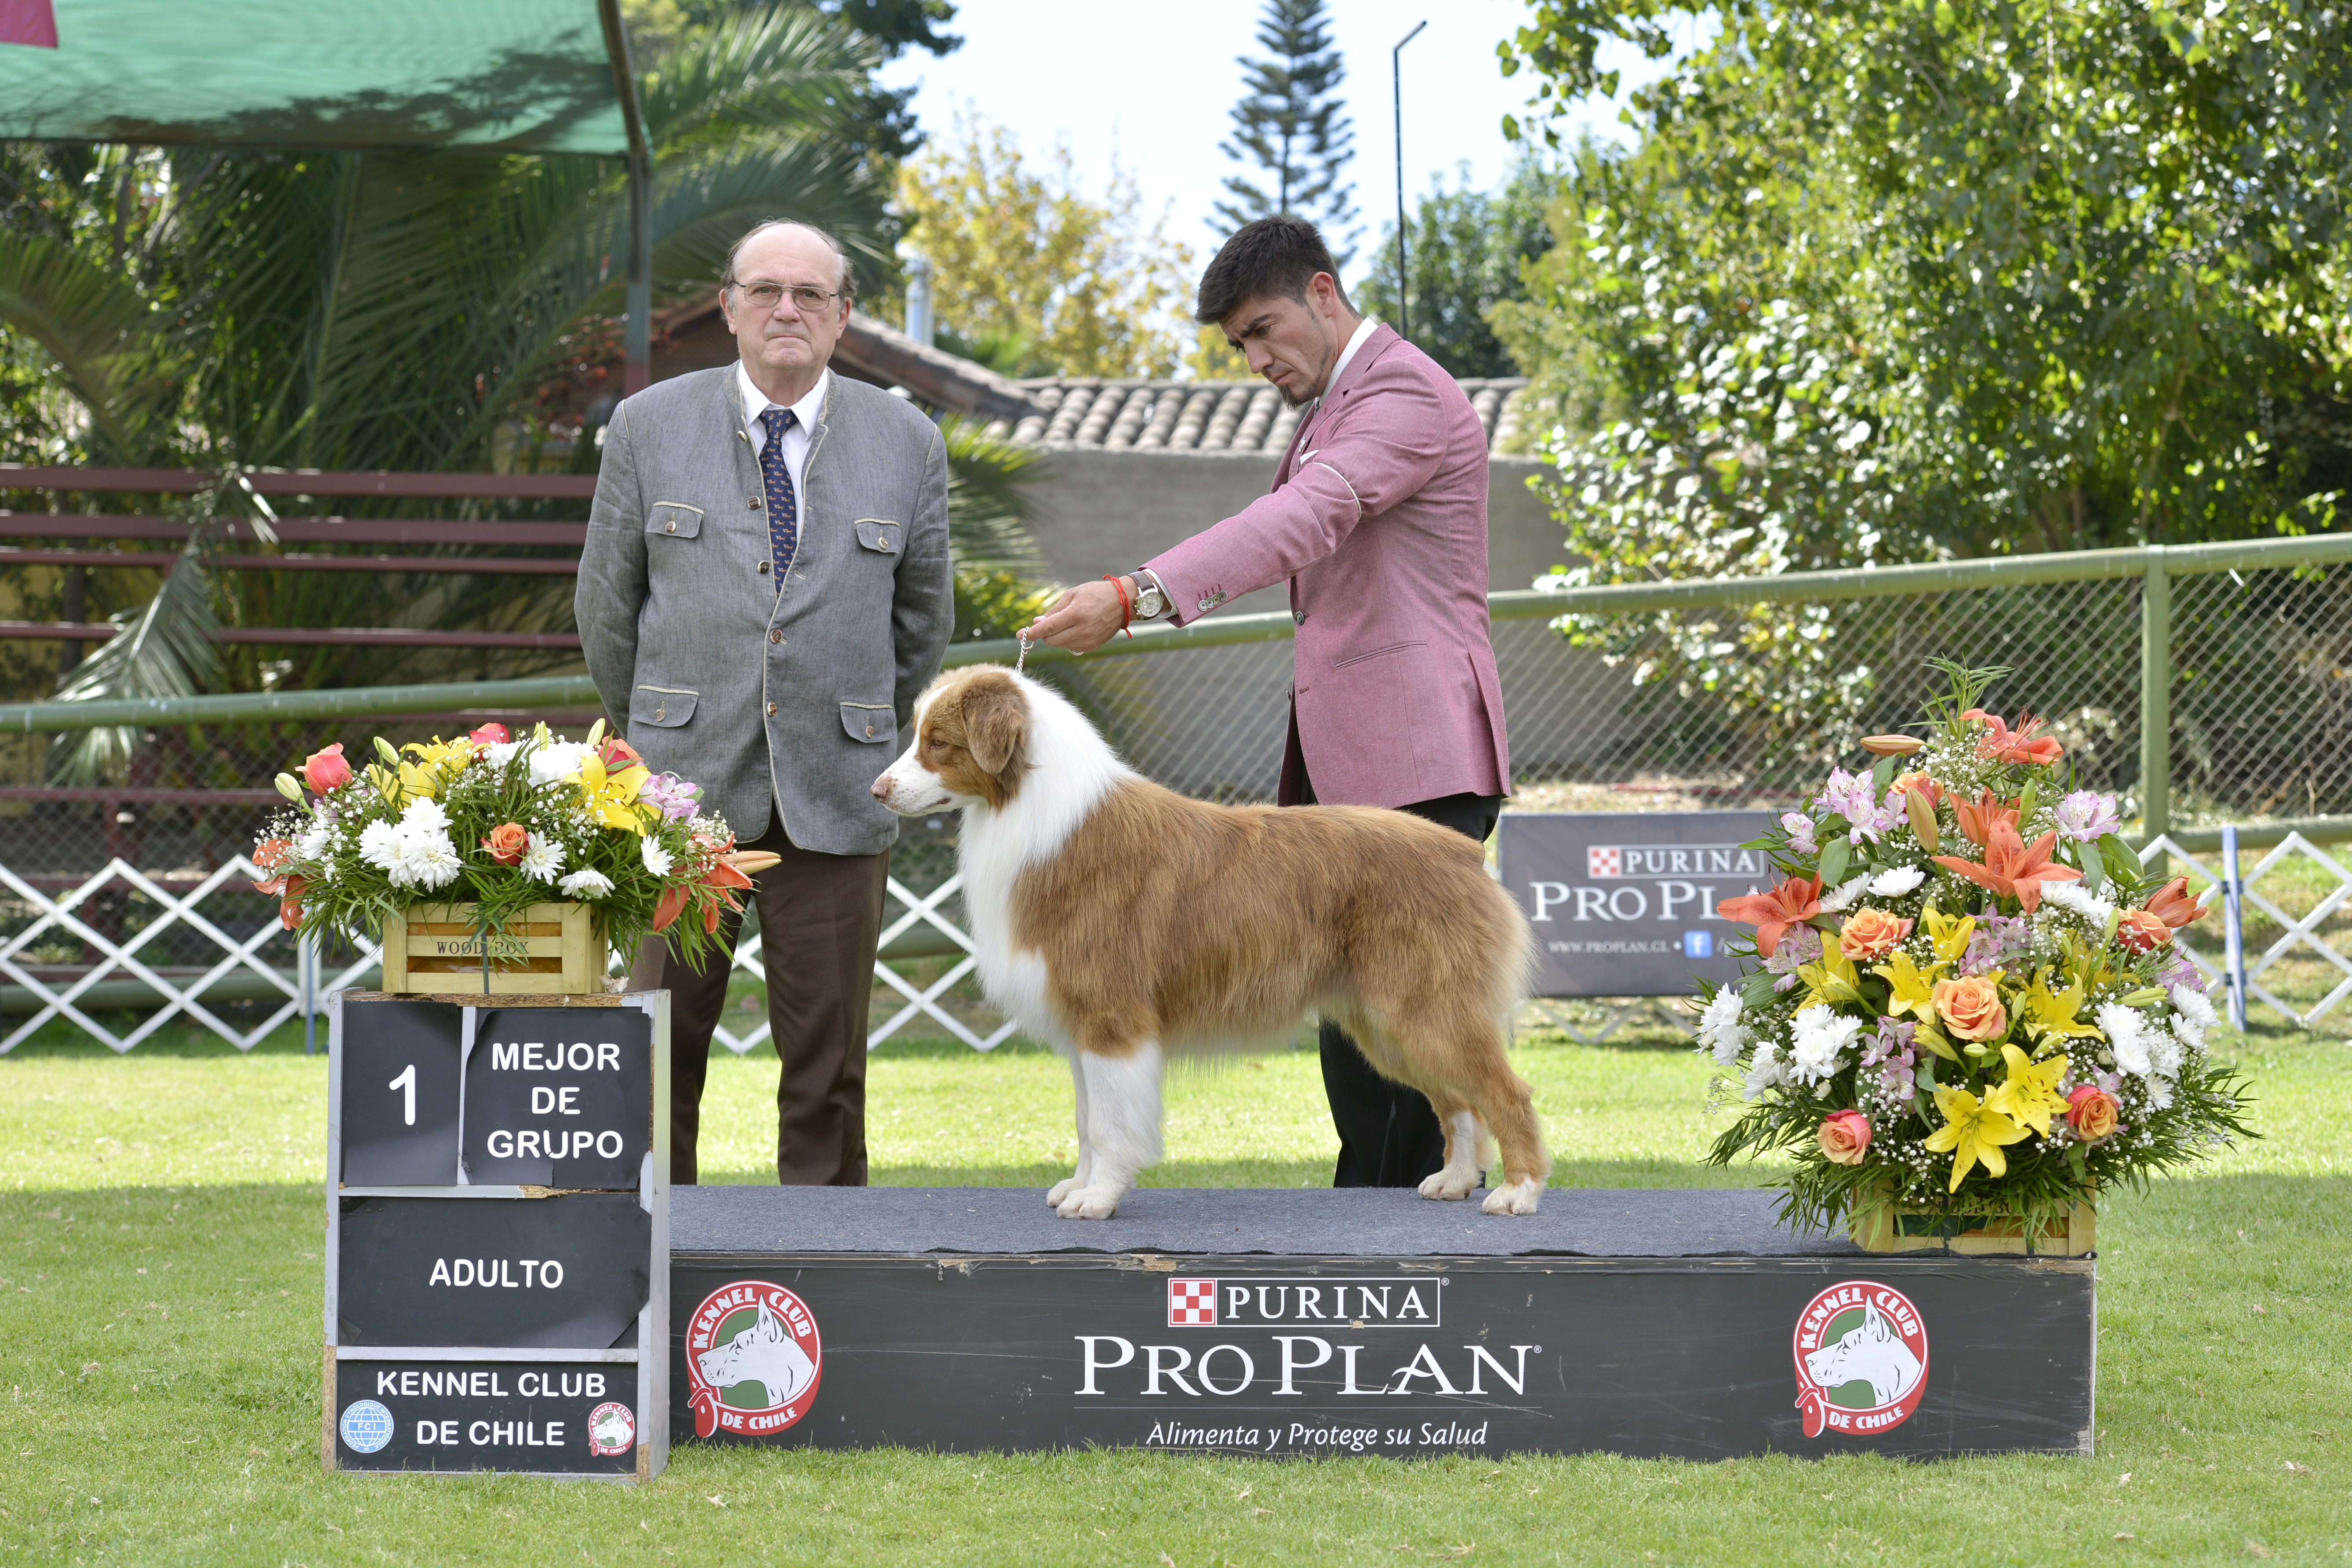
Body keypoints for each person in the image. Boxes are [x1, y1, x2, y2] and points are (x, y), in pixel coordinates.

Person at [1023, 216, 1509, 1190]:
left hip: (1416, 751)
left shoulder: (1403, 390)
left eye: (1263, 329)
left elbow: (1306, 516)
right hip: (1362, 759)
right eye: (1239, 343)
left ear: (1323, 294)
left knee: (1393, 1035)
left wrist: (1135, 593)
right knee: (1364, 1035)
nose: (1255, 358)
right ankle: (1385, 1227)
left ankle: (1390, 1251)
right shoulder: (1341, 400)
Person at [577, 218, 952, 1187]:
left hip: (839, 790)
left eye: (812, 294)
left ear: (845, 316)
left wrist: (866, 724)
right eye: (767, 290)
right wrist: (657, 730)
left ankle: (828, 1277)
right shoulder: (648, 426)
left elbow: (924, 622)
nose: (789, 309)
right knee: (653, 1054)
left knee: (828, 1071)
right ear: (730, 306)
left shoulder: (909, 441)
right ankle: (645, 1265)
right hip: (675, 803)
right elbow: (606, 607)